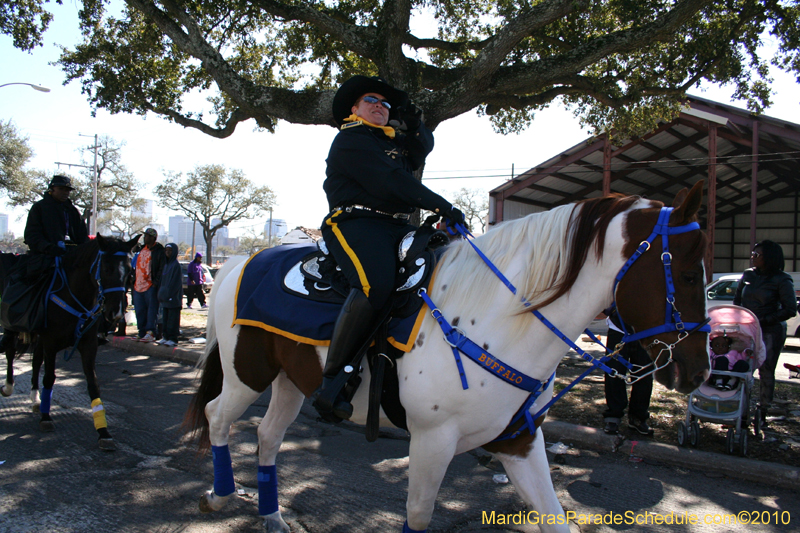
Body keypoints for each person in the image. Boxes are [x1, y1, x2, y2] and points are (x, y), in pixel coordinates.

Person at [312, 75, 465, 420]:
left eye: (385, 103)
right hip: (355, 223)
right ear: (354, 109)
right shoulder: (351, 139)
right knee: (374, 284)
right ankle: (335, 381)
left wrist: (415, 122)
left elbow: (419, 150)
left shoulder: (390, 143)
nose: (380, 106)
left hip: (396, 225)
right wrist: (442, 206)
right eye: (371, 100)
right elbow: (392, 181)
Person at [733, 240, 797, 424]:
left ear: (768, 257)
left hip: (770, 331)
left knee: (766, 369)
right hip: (746, 329)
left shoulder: (782, 279)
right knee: (741, 368)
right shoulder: (748, 275)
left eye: (757, 255)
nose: (752, 258)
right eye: (752, 254)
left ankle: (762, 410)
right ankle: (738, 409)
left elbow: (790, 309)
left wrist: (763, 320)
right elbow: (737, 301)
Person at [602, 309, 655, 436]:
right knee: (614, 372)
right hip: (618, 328)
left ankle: (638, 417)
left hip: (647, 330)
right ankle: (613, 416)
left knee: (644, 375)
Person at [24, 175, 89, 256]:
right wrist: (48, 248)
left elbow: (83, 236)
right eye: (61, 189)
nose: (65, 193)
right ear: (51, 190)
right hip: (44, 256)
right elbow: (31, 235)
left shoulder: (73, 211)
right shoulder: (39, 207)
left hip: (72, 257)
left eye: (67, 190)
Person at [132, 228, 165, 343]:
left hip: (150, 285)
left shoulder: (159, 251)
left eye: (147, 236)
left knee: (152, 310)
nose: (144, 238)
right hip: (138, 285)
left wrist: (156, 283)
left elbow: (161, 268)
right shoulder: (141, 249)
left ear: (153, 238)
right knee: (140, 310)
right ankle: (141, 332)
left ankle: (150, 332)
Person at [155, 243, 182, 347]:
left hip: (173, 299)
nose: (168, 253)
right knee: (165, 319)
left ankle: (173, 338)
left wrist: (171, 295)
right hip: (164, 298)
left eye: (170, 251)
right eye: (166, 250)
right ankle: (165, 337)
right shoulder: (166, 265)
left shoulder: (176, 265)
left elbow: (176, 283)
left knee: (172, 319)